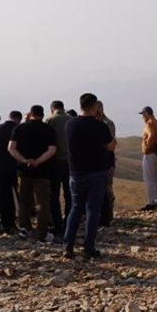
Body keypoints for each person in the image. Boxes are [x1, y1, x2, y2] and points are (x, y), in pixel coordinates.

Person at [64, 93, 117, 259]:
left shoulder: (70, 124)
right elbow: (111, 146)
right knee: (93, 211)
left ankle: (68, 246)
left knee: (75, 208)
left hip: (76, 172)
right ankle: (88, 247)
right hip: (97, 172)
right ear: (95, 107)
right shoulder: (100, 126)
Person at [9, 105, 57, 242]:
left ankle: (25, 228)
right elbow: (52, 150)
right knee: (42, 202)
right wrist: (38, 161)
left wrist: (24, 160)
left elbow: (11, 148)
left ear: (30, 114)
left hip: (24, 171)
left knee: (24, 201)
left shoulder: (20, 128)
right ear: (42, 115)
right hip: (43, 171)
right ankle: (41, 231)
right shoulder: (48, 129)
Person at [0, 111, 22, 234]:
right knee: (15, 197)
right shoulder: (17, 129)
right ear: (18, 119)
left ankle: (2, 223)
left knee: (3, 197)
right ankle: (12, 223)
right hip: (12, 166)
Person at [46, 100, 72, 235]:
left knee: (54, 196)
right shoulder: (71, 120)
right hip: (69, 162)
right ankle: (69, 222)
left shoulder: (49, 120)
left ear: (52, 109)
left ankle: (57, 224)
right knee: (69, 195)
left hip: (54, 162)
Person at [139, 106, 157, 211]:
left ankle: (151, 202)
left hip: (150, 153)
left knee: (149, 178)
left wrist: (147, 147)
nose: (142, 117)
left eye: (143, 114)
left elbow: (151, 135)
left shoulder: (149, 123)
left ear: (146, 114)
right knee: (154, 178)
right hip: (156, 154)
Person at [96, 100, 118, 226]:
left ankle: (108, 214)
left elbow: (110, 142)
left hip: (106, 159)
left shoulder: (107, 123)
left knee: (107, 188)